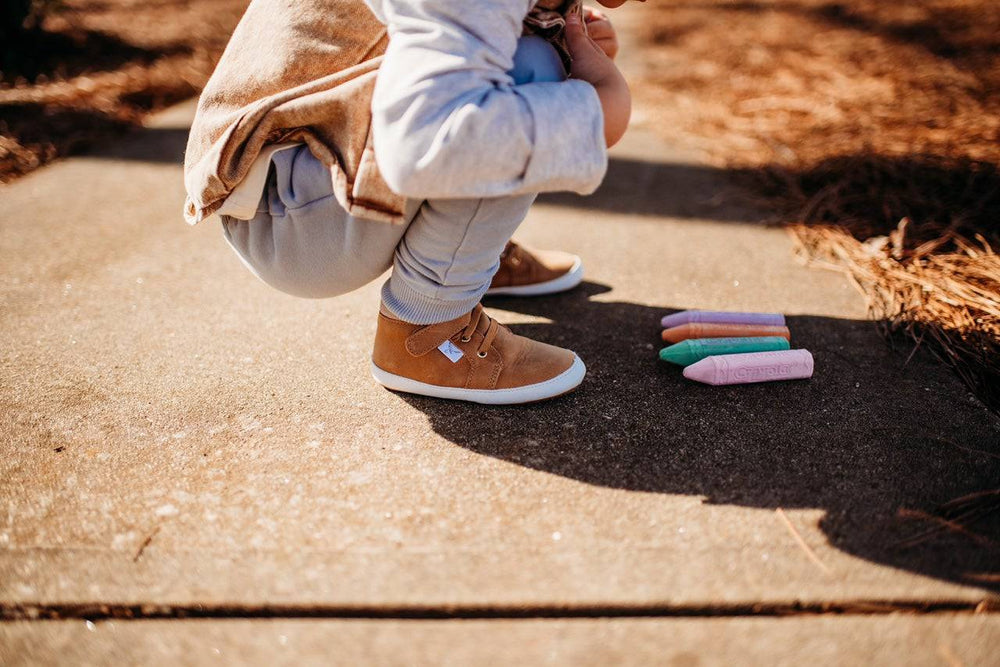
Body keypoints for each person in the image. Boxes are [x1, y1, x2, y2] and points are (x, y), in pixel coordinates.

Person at [183, 0, 634, 405]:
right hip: (284, 216)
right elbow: (435, 141)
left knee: (526, 53)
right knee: (532, 66)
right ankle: (427, 326)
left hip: (290, 172)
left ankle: (465, 252)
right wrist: (600, 107)